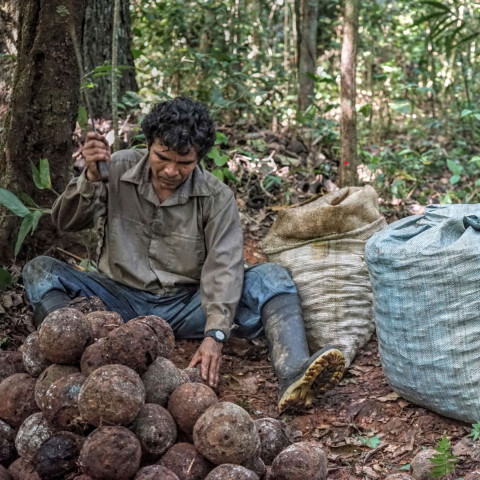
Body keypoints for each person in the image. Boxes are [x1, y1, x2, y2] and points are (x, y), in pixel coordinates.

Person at [22, 97, 345, 410]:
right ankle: (67, 353)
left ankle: (293, 371)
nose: (171, 171)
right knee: (40, 270)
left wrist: (216, 334)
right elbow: (64, 222)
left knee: (272, 279)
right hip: (117, 299)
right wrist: (90, 178)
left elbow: (224, 267)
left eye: (184, 163)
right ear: (148, 144)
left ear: (199, 159)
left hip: (187, 306)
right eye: (162, 157)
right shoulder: (116, 166)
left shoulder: (217, 198)